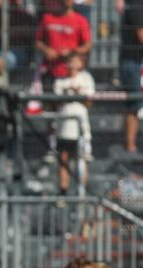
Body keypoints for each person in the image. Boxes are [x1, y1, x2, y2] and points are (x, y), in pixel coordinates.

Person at [54, 52, 94, 193]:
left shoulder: (86, 78)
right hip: (64, 129)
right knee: (63, 160)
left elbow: (88, 101)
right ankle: (63, 192)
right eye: (69, 61)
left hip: (81, 128)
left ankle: (81, 194)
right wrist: (73, 92)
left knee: (82, 160)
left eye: (75, 61)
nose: (72, 64)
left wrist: (74, 93)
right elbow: (56, 102)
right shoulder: (60, 81)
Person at [119, 0, 143, 153]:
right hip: (132, 63)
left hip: (135, 62)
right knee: (134, 105)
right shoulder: (136, 6)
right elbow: (141, 35)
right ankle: (131, 146)